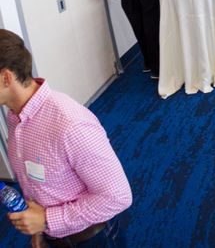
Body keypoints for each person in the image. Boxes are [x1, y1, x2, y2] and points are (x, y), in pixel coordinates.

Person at [0, 31, 132, 247]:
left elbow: (117, 196)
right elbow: (36, 183)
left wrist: (45, 220)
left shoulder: (70, 124)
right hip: (53, 236)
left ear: (6, 77)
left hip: (91, 238)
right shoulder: (15, 117)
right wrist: (40, 231)